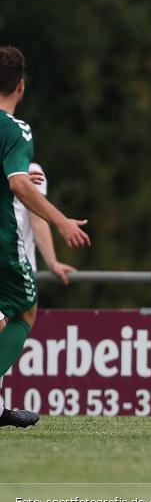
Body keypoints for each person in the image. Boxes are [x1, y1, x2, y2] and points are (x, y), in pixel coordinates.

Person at [0, 45, 90, 428]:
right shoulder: (15, 129)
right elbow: (19, 184)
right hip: (2, 242)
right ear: (21, 86)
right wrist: (62, 221)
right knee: (23, 310)